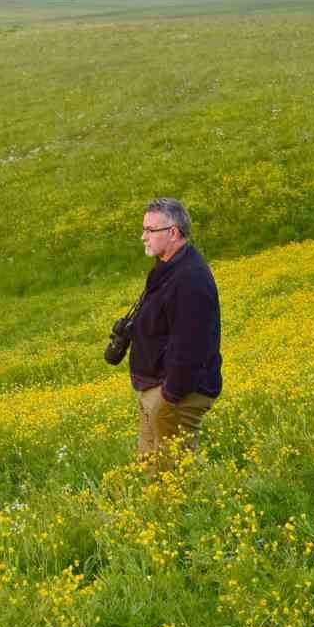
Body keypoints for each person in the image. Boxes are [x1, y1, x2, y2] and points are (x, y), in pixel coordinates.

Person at [129, 197, 222, 461]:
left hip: (175, 394)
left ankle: (194, 505)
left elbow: (192, 346)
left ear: (173, 232)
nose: (143, 237)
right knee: (151, 470)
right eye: (143, 230)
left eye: (150, 230)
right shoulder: (168, 269)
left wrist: (169, 395)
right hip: (156, 388)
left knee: (173, 472)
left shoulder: (190, 278)